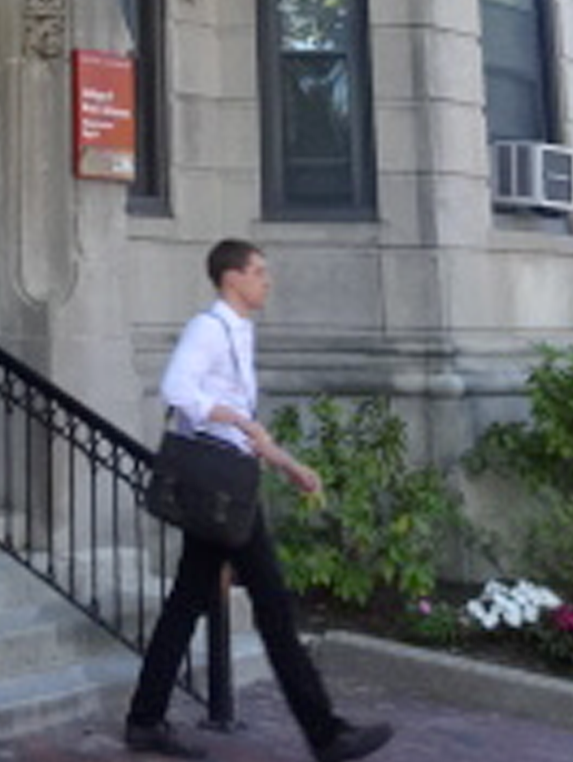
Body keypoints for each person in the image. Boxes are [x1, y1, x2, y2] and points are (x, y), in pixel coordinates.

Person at [124, 239, 393, 762]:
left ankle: (145, 719)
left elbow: (243, 427)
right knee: (272, 607)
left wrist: (289, 465)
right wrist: (236, 418)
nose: (267, 281)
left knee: (186, 604)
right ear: (232, 279)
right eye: (259, 272)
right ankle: (326, 734)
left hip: (231, 483)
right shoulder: (209, 328)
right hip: (220, 491)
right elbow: (177, 389)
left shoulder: (238, 333)